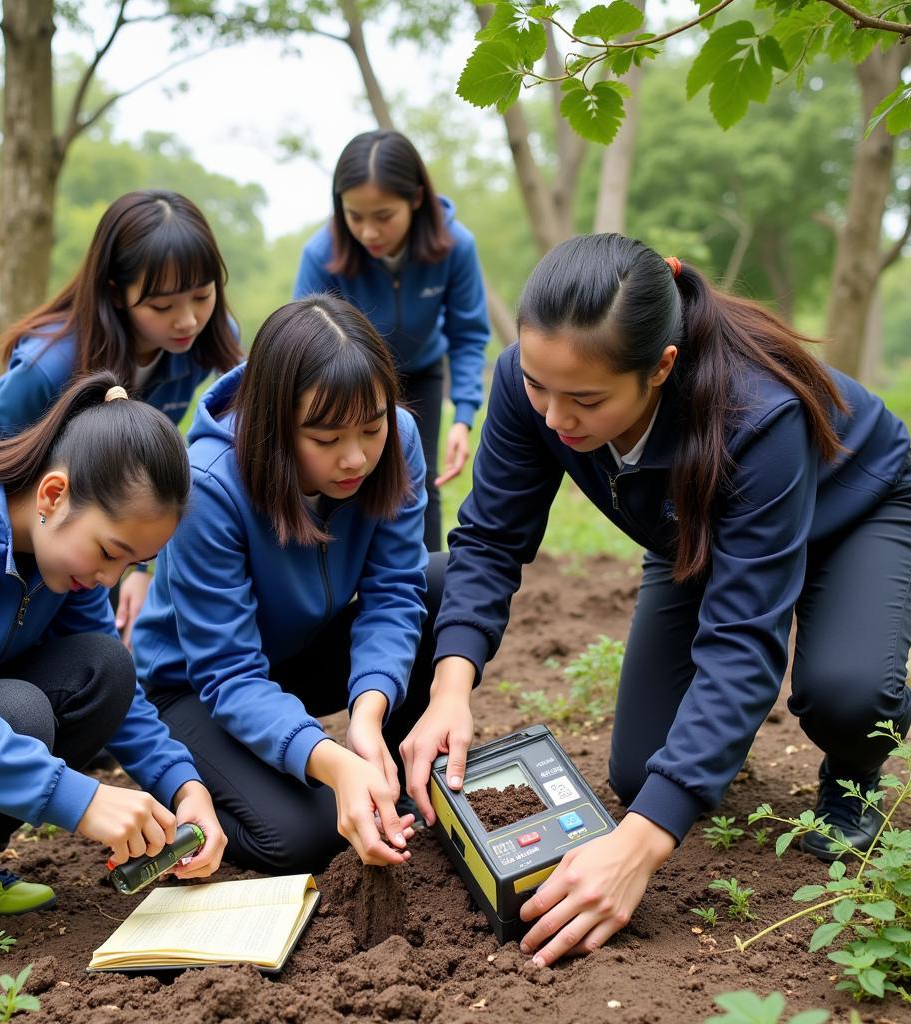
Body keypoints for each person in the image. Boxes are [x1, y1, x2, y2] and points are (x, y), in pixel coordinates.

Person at [400, 233, 911, 966]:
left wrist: (638, 849)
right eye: (539, 388)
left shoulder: (756, 414)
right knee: (645, 775)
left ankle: (857, 762)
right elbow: (487, 541)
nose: (553, 419)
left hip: (853, 511)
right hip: (699, 529)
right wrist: (451, 686)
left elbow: (742, 643)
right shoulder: (532, 385)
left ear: (661, 369)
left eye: (585, 400)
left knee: (847, 692)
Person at [0, 373, 228, 962]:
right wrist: (83, 800)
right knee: (19, 712)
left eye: (134, 563)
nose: (110, 579)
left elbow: (108, 677)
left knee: (104, 669)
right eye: (109, 552)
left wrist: (182, 782)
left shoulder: (62, 557)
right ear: (52, 495)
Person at [131, 294, 445, 875]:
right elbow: (228, 673)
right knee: (304, 838)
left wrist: (367, 713)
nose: (355, 458)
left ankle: (390, 779)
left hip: (298, 654)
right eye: (325, 440)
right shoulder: (208, 486)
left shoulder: (397, 441)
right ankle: (222, 787)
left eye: (370, 430)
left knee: (438, 582)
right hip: (196, 688)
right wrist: (331, 763)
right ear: (277, 425)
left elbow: (395, 592)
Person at [0, 189, 243, 642]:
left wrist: (142, 567)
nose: (188, 321)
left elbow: (152, 470)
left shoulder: (206, 341)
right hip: (24, 512)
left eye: (202, 295)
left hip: (99, 508)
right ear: (116, 293)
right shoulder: (49, 365)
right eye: (162, 306)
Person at [293, 129, 490, 552]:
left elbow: (468, 334)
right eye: (355, 216)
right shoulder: (321, 254)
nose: (368, 231)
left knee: (419, 485)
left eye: (383, 216)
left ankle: (424, 592)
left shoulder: (456, 247)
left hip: (420, 375)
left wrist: (464, 415)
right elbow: (302, 341)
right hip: (347, 384)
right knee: (342, 478)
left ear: (416, 199)